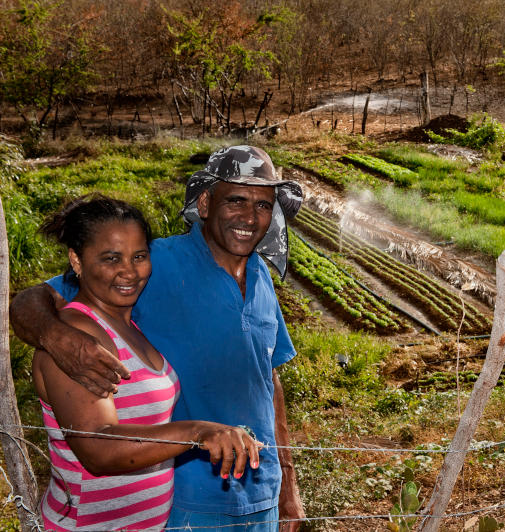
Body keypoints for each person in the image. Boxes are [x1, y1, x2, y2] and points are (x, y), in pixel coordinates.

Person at [11, 146, 305, 532]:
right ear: (204, 203)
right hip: (188, 502)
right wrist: (56, 337)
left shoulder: (262, 278)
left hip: (261, 496)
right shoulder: (155, 262)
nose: (250, 217)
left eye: (264, 205)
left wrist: (287, 485)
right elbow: (31, 301)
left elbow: (269, 380)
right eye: (236, 200)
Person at [33, 195, 261, 531]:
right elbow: (98, 448)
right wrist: (197, 431)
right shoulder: (76, 338)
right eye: (111, 259)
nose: (129, 270)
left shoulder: (126, 326)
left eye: (139, 256)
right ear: (77, 261)